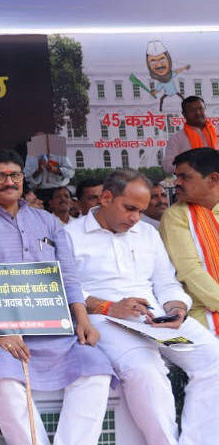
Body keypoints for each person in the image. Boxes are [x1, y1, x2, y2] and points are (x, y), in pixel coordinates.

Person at [0, 149, 113, 445]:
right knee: (4, 381)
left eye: (14, 175)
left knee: (96, 368)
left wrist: (83, 318)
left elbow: (68, 274)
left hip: (53, 331)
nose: (8, 181)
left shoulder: (47, 221)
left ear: (23, 179)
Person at [67, 169, 219, 445]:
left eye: (141, 210)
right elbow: (68, 290)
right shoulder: (70, 235)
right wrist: (110, 307)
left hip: (158, 320)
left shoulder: (146, 233)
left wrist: (176, 309)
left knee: (214, 359)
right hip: (107, 322)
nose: (135, 218)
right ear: (106, 197)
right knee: (146, 372)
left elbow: (166, 283)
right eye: (130, 209)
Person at [160, 148, 219, 331]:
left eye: (185, 177)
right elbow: (190, 271)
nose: (176, 182)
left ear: (213, 179)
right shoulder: (176, 216)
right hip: (205, 312)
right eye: (176, 176)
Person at [163, 96, 217, 173]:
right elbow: (167, 165)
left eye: (200, 108)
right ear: (184, 114)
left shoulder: (216, 131)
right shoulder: (177, 139)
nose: (198, 113)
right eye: (192, 110)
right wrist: (188, 169)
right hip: (193, 182)